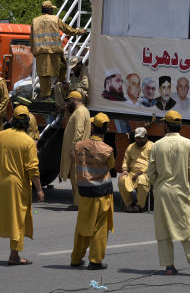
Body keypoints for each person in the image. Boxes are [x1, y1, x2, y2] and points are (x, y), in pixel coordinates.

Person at [147, 110, 190, 276]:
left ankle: (169, 266)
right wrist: (183, 181)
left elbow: (150, 173)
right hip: (180, 190)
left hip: (161, 191)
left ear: (166, 126)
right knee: (189, 228)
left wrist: (159, 183)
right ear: (180, 126)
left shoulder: (157, 145)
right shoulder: (188, 144)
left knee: (163, 229)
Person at [0, 107, 43, 265]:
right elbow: (32, 168)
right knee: (17, 220)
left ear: (13, 119)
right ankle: (14, 256)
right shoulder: (28, 142)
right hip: (17, 186)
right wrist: (39, 189)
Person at [70, 112, 115, 269]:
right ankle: (95, 261)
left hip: (84, 193)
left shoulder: (79, 146)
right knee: (100, 229)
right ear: (106, 129)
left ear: (92, 127)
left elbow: (74, 158)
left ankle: (76, 258)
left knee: (82, 226)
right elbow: (111, 166)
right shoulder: (107, 149)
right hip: (102, 194)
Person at [31, 0, 88, 102]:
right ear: (49, 9)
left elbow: (32, 38)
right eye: (52, 9)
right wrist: (79, 31)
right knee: (62, 67)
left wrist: (34, 51)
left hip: (40, 52)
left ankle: (46, 95)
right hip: (55, 51)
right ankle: (61, 87)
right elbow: (67, 29)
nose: (53, 10)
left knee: (44, 74)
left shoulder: (34, 21)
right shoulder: (55, 19)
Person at [60, 90, 91, 210]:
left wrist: (74, 148)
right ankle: (77, 201)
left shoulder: (79, 112)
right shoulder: (83, 111)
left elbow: (79, 131)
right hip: (81, 149)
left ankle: (78, 203)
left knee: (76, 177)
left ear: (75, 100)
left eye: (69, 101)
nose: (68, 103)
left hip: (77, 150)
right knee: (76, 176)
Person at [119, 127, 153, 212]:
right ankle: (129, 204)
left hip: (146, 173)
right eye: (137, 138)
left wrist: (141, 173)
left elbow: (153, 163)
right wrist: (125, 170)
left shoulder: (152, 146)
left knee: (141, 180)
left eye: (141, 138)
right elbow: (126, 161)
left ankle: (140, 205)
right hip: (132, 173)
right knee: (122, 179)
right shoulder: (131, 147)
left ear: (146, 136)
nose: (138, 140)